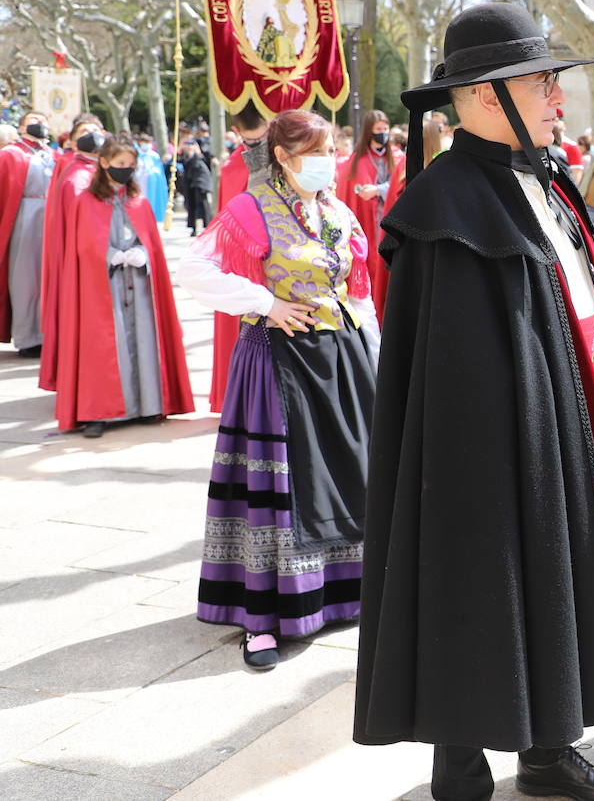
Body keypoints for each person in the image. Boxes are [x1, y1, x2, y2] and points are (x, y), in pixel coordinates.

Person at [353, 2, 594, 801]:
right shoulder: (445, 207)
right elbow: (453, 375)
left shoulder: (544, 180)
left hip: (564, 421)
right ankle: (459, 766)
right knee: (473, 579)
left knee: (558, 580)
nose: (559, 99)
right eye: (544, 83)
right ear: (487, 96)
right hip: (485, 449)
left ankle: (549, 753)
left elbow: (573, 307)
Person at [179, 109, 377, 669]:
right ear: (284, 157)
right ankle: (262, 619)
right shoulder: (250, 207)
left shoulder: (339, 213)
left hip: (341, 359)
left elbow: (357, 293)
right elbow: (195, 268)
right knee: (282, 486)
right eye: (316, 152)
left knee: (345, 474)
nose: (329, 162)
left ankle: (338, 597)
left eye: (333, 149)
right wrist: (265, 303)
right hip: (276, 364)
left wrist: (376, 356)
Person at [54, 135, 193, 437]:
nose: (126, 170)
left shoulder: (138, 201)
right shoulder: (85, 201)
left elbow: (151, 243)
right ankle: (97, 411)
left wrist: (143, 253)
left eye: (130, 165)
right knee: (100, 343)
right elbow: (82, 246)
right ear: (103, 163)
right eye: (120, 164)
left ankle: (146, 404)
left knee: (144, 337)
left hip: (139, 285)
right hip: (101, 286)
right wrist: (108, 254)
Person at [209, 103, 274, 413]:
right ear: (237, 134)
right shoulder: (232, 167)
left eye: (261, 139)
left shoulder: (285, 157)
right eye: (250, 141)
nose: (255, 147)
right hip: (245, 260)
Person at [39, 115, 104, 392]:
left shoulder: (112, 167)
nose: (91, 135)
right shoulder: (73, 172)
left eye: (95, 130)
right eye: (84, 131)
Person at [0, 112, 54, 357]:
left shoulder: (52, 154)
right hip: (24, 217)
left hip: (51, 219)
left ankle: (49, 334)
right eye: (33, 120)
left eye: (43, 121)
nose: (39, 125)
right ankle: (27, 338)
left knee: (48, 279)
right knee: (24, 280)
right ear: (21, 127)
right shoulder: (10, 154)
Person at [336, 109, 403, 306]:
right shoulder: (357, 160)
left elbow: (404, 186)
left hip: (392, 224)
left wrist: (379, 190)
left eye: (385, 128)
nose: (382, 132)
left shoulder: (399, 157)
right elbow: (348, 192)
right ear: (369, 131)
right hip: (368, 226)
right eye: (378, 129)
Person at [179, 137, 211, 236]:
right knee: (191, 206)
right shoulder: (185, 157)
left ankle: (207, 226)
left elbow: (204, 162)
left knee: (203, 205)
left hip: (199, 183)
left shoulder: (200, 155)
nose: (189, 147)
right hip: (189, 184)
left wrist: (197, 151)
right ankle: (193, 227)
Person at [134, 135, 170, 224]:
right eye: (144, 142)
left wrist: (152, 173)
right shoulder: (137, 155)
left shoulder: (154, 155)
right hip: (140, 181)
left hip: (152, 181)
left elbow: (158, 169)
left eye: (148, 143)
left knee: (151, 200)